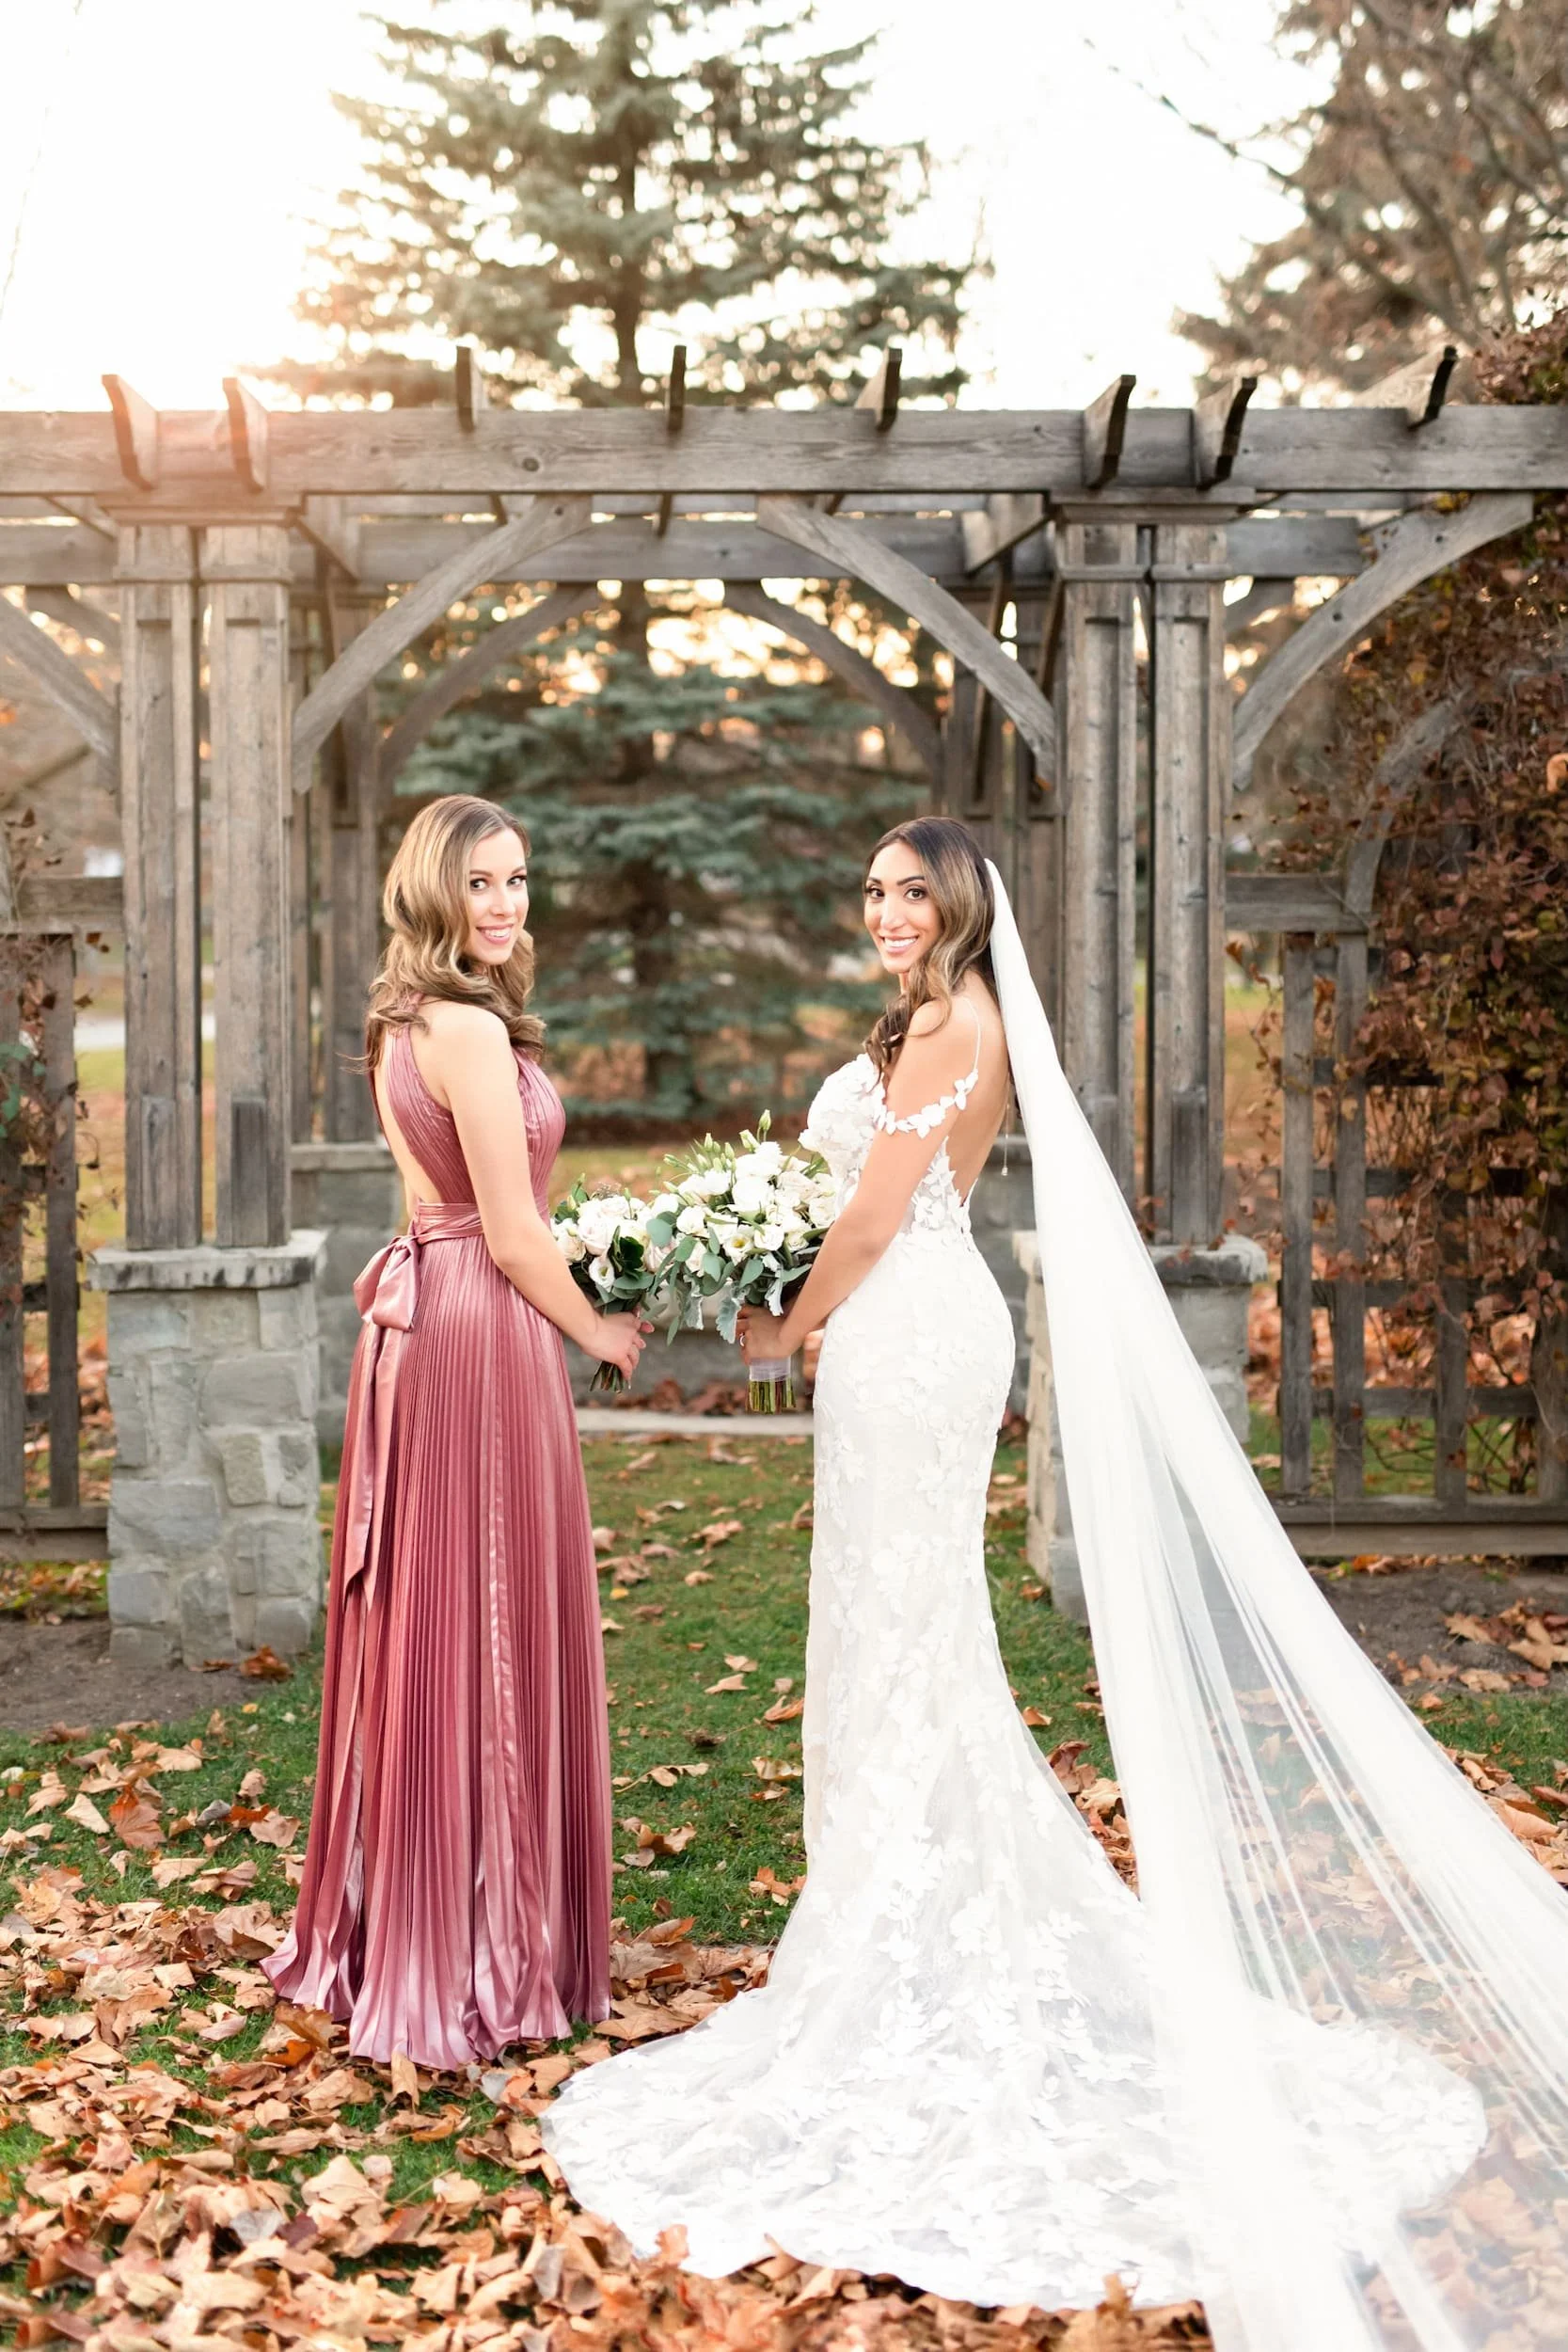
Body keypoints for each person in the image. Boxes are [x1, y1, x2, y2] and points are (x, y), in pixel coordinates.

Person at [541, 818, 1547, 2344]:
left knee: (905, 1623)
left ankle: (904, 1922)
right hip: (897, 1325)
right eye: (869, 887)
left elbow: (875, 1213)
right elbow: (849, 1201)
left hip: (908, 1327)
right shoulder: (923, 1018)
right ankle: (883, 1898)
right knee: (892, 1625)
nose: (884, 911)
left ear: (960, 905)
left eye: (908, 891)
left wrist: (780, 1328)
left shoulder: (960, 1018)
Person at [266, 796, 647, 2071]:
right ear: (434, 892)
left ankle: (433, 1913)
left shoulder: (406, 1020)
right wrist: (598, 1329)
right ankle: (476, 1940)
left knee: (443, 1606)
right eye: (481, 882)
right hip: (478, 1328)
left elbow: (447, 1204)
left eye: (519, 881)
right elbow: (511, 1226)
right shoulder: (468, 1027)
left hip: (427, 1320)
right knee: (473, 1607)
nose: (505, 904)